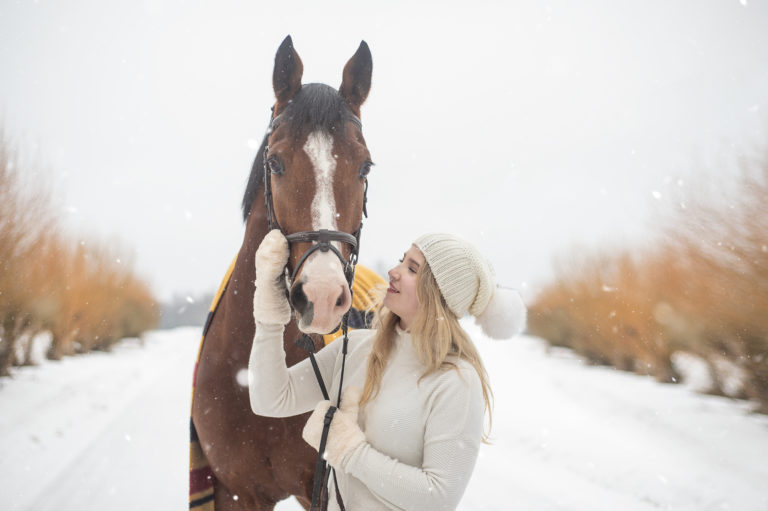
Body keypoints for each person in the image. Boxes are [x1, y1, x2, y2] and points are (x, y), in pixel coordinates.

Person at [248, 230, 526, 510]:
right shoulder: (355, 348)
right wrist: (269, 315)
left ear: (439, 293)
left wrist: (351, 452)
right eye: (401, 261)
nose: (393, 272)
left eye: (412, 269)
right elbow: (271, 399)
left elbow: (438, 498)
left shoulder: (456, 381)